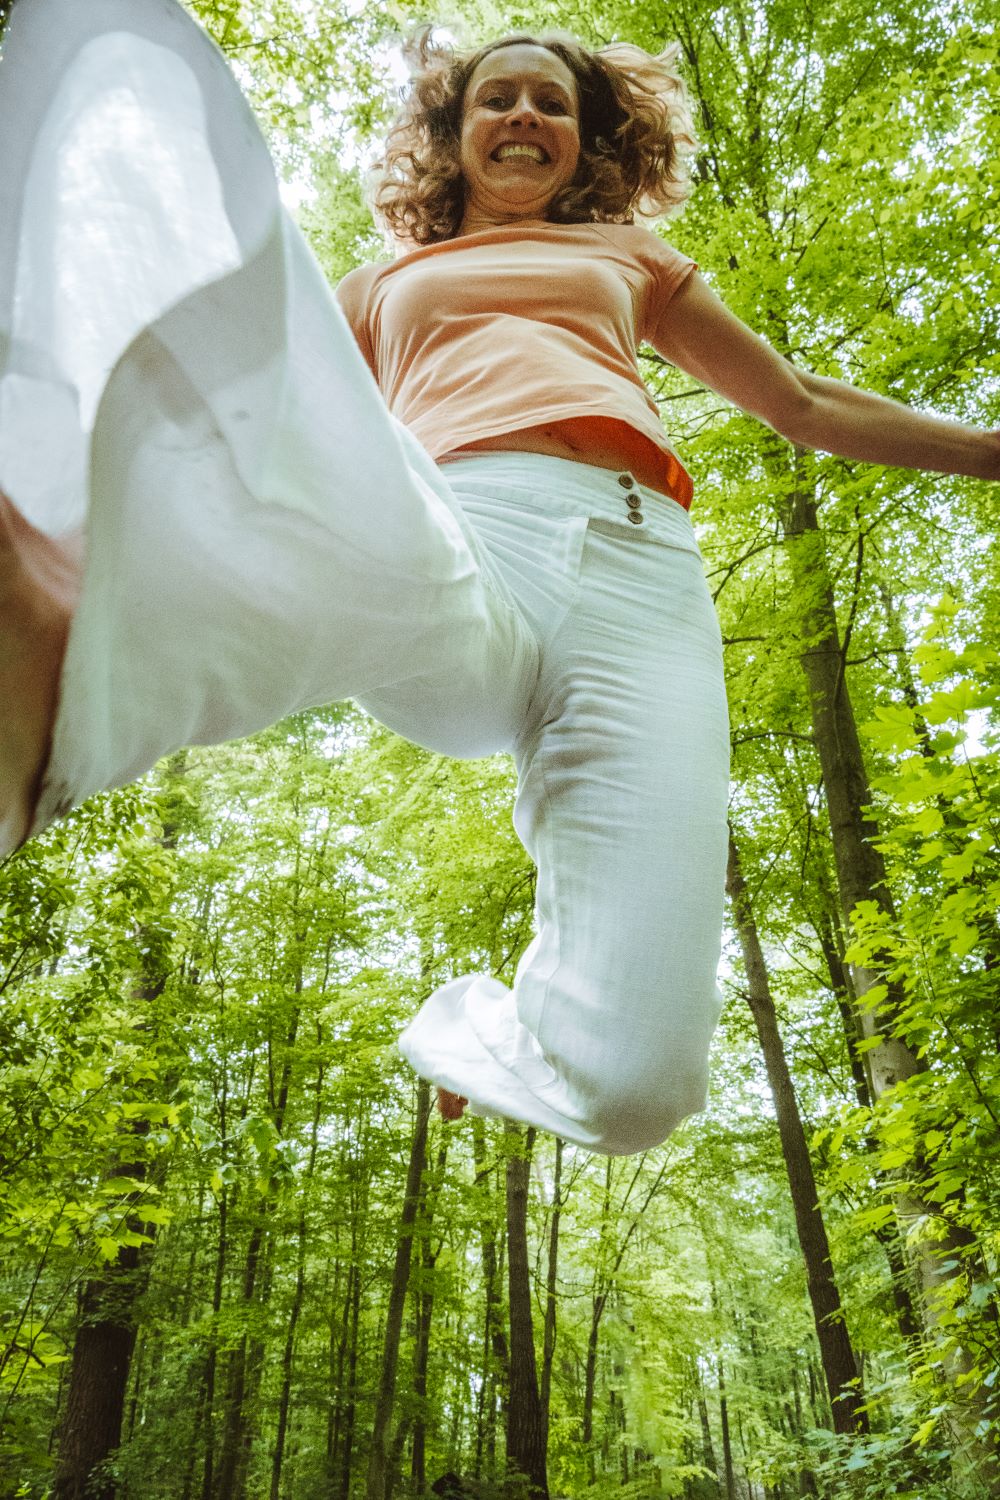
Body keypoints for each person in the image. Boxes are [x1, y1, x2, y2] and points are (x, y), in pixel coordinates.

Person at [0, 0, 997, 1153]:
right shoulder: (382, 284)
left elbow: (803, 406)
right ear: (455, 130)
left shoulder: (629, 256)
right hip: (458, 539)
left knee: (637, 1094)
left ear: (588, 140)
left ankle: (475, 1032)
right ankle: (46, 665)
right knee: (308, 484)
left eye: (552, 103)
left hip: (638, 580)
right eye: (497, 97)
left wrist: (986, 451)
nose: (525, 114)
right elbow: (274, 416)